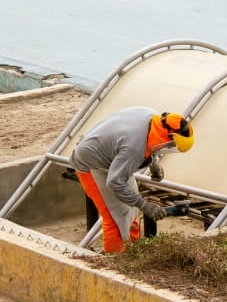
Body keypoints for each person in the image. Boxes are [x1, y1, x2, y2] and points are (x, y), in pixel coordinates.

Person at [70, 107, 194, 253]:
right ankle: (113, 264)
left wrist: (153, 164)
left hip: (112, 159)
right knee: (115, 219)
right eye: (171, 145)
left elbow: (147, 144)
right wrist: (145, 205)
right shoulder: (134, 149)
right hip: (90, 164)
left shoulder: (151, 117)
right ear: (167, 137)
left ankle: (132, 253)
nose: (169, 148)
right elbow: (115, 182)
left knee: (131, 211)